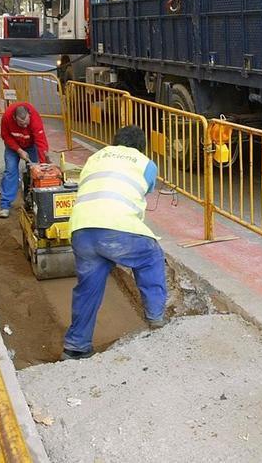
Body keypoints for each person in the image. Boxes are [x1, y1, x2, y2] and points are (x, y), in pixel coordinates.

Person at [62, 125, 167, 360]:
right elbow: (144, 190)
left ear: (114, 141)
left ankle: (76, 346)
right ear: (142, 146)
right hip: (116, 228)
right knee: (150, 257)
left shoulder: (94, 157)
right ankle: (156, 317)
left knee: (88, 288)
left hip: (81, 229)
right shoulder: (145, 162)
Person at [0, 102, 49, 218]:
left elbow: (41, 141)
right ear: (14, 118)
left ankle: (30, 201)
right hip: (13, 146)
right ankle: (5, 205)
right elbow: (5, 136)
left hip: (31, 146)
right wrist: (19, 150)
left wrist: (43, 163)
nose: (25, 126)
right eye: (21, 124)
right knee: (10, 171)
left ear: (29, 115)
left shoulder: (35, 118)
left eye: (27, 123)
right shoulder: (6, 118)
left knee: (34, 172)